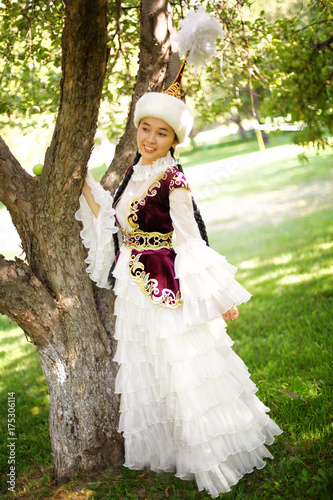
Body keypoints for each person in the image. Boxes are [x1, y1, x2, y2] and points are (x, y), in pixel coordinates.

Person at [75, 85, 282, 497]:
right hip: (135, 290)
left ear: (174, 140)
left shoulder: (174, 178)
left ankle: (212, 457)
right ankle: (176, 451)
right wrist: (80, 182)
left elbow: (188, 240)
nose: (149, 139)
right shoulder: (134, 172)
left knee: (182, 370)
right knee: (151, 369)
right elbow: (115, 226)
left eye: (161, 133)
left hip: (167, 286)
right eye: (145, 129)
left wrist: (217, 297)